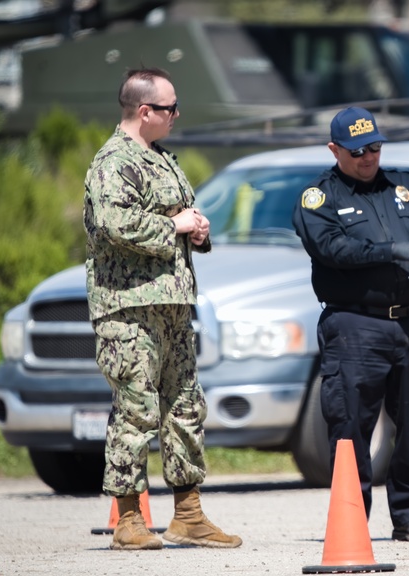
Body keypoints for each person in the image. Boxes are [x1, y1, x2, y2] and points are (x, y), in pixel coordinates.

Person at [83, 67, 241, 550]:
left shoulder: (162, 159)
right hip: (128, 307)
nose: (178, 115)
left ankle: (188, 514)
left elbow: (177, 218)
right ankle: (128, 519)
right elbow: (114, 224)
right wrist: (174, 226)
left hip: (171, 302)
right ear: (144, 111)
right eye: (171, 107)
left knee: (185, 405)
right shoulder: (114, 161)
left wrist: (197, 229)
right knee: (135, 407)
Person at [291, 107, 409, 541]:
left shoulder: (406, 186)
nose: (369, 157)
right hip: (355, 326)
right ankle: (351, 520)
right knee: (350, 426)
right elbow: (330, 248)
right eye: (357, 151)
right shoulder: (320, 197)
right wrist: (392, 252)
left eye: (374, 147)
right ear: (335, 150)